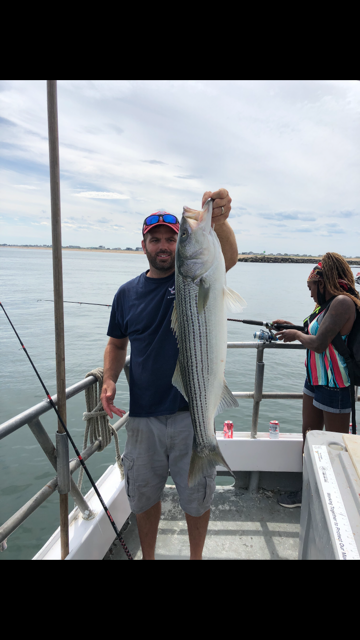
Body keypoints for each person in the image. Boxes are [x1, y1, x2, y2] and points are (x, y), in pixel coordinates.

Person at [100, 188, 239, 559]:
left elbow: (229, 256)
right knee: (143, 498)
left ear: (180, 244)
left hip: (189, 415)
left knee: (196, 498)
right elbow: (116, 344)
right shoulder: (126, 294)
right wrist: (110, 379)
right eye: (155, 239)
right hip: (143, 417)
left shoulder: (195, 278)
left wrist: (219, 220)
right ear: (143, 244)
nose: (163, 245)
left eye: (172, 238)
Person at [273, 252, 360, 508]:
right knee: (309, 436)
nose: (310, 293)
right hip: (314, 380)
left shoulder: (343, 303)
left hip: (335, 385)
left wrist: (296, 336)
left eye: (311, 287)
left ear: (322, 282)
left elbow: (320, 344)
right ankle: (307, 493)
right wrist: (292, 327)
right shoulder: (326, 304)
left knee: (334, 445)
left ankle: (336, 501)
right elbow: (317, 332)